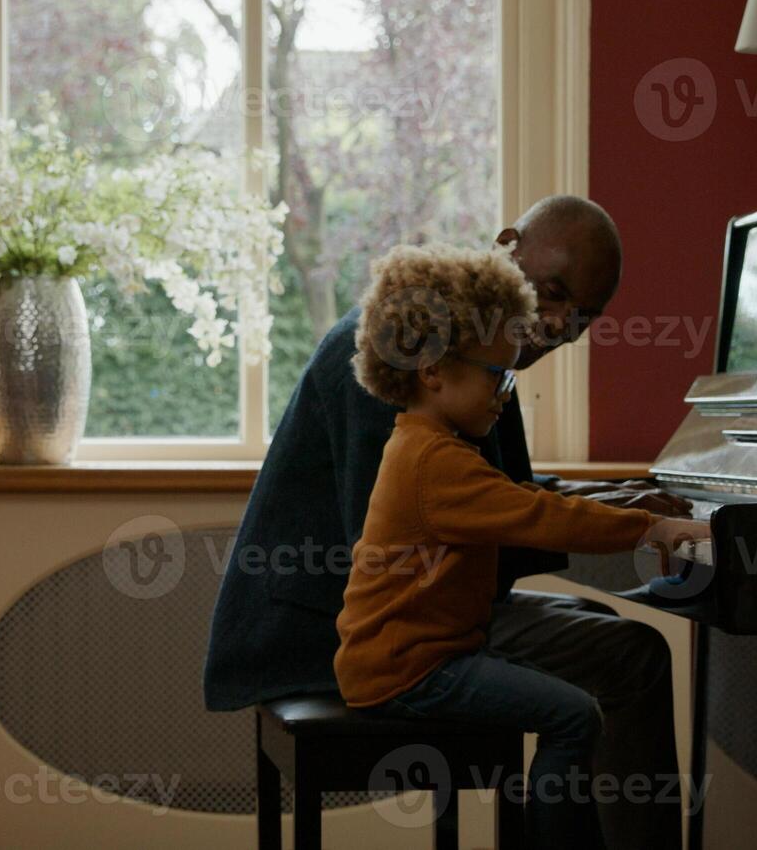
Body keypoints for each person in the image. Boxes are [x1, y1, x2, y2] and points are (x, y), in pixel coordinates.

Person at [204, 195, 696, 847]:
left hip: (381, 604)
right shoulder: (414, 358)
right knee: (633, 656)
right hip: (327, 632)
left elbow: (497, 493)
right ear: (506, 245)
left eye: (580, 317)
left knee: (604, 631)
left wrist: (613, 499)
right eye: (550, 293)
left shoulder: (477, 347)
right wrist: (606, 520)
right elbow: (434, 530)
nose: (556, 323)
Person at [333, 243, 709, 848]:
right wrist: (650, 527)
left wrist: (627, 508)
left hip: (431, 646)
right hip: (412, 667)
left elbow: (531, 504)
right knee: (572, 715)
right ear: (432, 370)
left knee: (580, 686)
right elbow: (539, 515)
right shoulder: (436, 462)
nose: (505, 393)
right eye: (497, 375)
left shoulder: (427, 443)